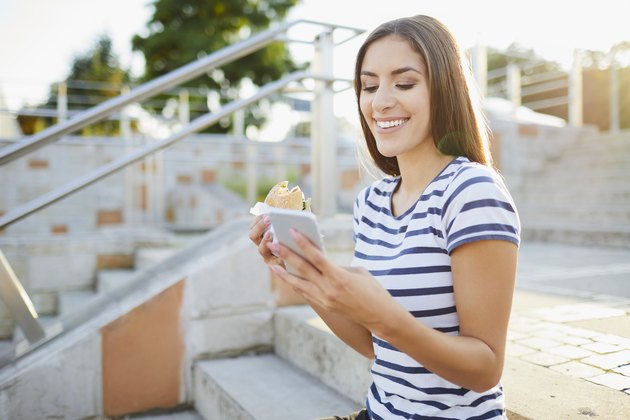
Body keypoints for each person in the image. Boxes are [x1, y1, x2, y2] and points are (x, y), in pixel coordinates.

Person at [249, 15, 520, 420]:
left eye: (404, 83)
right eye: (369, 86)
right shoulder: (372, 201)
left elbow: (484, 368)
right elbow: (375, 345)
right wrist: (302, 272)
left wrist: (383, 315)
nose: (380, 101)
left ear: (443, 90)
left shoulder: (471, 192)